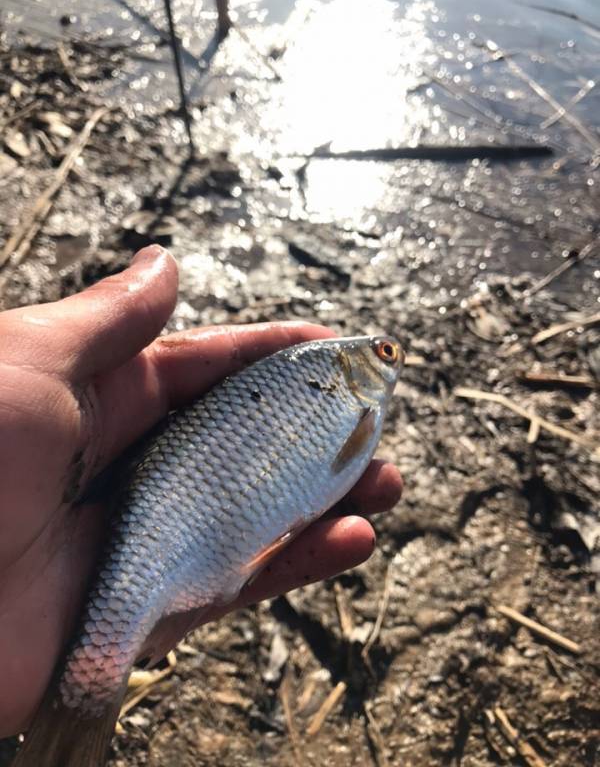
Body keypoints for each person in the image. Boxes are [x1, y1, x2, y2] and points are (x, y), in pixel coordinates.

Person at [0, 245, 403, 738]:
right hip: (168, 521)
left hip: (172, 522)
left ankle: (74, 714)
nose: (389, 359)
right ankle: (80, 708)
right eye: (384, 353)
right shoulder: (354, 403)